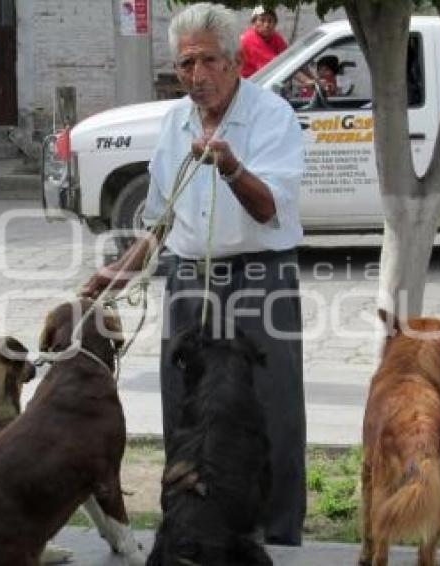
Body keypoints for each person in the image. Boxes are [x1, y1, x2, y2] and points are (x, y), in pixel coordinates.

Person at [82, 3, 306, 545]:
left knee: (270, 409)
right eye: (185, 64)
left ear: (234, 63)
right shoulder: (174, 121)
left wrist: (230, 167)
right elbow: (159, 221)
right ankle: (190, 527)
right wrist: (120, 273)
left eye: (208, 61)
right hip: (189, 277)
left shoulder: (272, 117)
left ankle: (275, 535)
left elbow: (268, 208)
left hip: (260, 276)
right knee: (184, 407)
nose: (196, 75)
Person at [239, 5, 287, 78]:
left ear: (275, 24)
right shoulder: (249, 38)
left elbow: (289, 57)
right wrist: (306, 80)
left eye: (270, 21)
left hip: (265, 79)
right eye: (262, 20)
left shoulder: (275, 37)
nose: (266, 25)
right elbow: (275, 65)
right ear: (254, 23)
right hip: (249, 82)